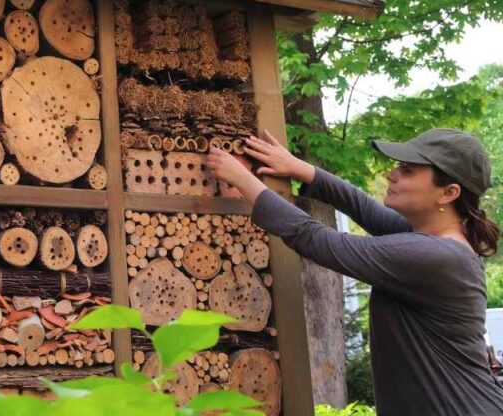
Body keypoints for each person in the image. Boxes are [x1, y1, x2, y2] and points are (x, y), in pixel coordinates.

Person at [205, 128, 503, 416]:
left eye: (408, 171)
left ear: (448, 193)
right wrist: (301, 169)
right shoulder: (437, 241)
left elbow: (316, 239)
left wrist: (242, 179)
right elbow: (363, 206)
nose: (391, 174)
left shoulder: (436, 257)